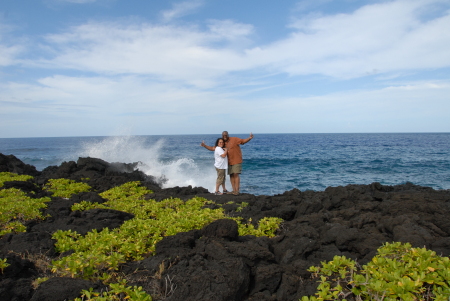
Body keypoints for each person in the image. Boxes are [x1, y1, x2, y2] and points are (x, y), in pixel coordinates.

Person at [201, 131, 254, 195]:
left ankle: (237, 191)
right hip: (229, 162)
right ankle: (234, 190)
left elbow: (242, 141)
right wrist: (204, 146)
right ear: (222, 136)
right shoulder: (222, 143)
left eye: (226, 135)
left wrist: (249, 138)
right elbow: (213, 148)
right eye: (223, 135)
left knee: (235, 174)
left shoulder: (234, 139)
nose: (225, 136)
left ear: (228, 135)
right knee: (231, 175)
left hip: (236, 160)